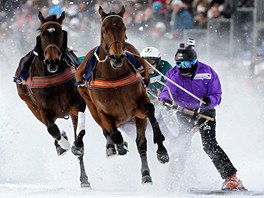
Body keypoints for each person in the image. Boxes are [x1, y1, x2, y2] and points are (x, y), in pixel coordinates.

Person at [158, 39, 246, 190]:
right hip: (184, 113)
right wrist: (165, 99)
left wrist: (209, 101)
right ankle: (173, 179)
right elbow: (168, 90)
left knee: (209, 144)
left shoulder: (207, 72)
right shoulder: (173, 74)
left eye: (185, 64)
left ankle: (231, 178)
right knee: (182, 145)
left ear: (194, 62)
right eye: (178, 64)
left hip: (205, 113)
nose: (181, 68)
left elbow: (217, 94)